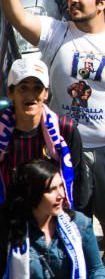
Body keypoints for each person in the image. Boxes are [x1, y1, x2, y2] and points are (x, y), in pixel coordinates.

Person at [1, 0, 105, 279]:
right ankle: (65, 258)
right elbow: (18, 17)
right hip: (60, 143)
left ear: (102, 3)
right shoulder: (57, 32)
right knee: (61, 204)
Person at [0, 158, 105, 279]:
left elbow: (98, 270)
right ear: (32, 194)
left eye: (60, 186)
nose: (61, 195)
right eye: (51, 190)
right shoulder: (9, 230)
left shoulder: (79, 225)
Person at [0, 60, 84, 210]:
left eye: (37, 88)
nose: (31, 95)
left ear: (46, 93)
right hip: (8, 218)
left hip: (54, 216)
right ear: (10, 93)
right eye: (23, 88)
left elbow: (79, 182)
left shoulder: (65, 129)